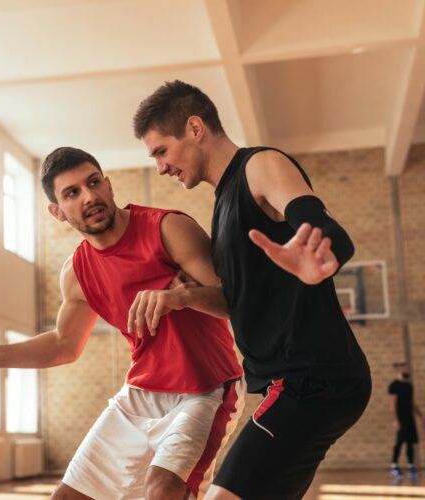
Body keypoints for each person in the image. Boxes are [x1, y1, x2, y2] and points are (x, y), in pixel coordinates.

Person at [0, 146, 244, 499]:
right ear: (57, 211)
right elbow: (63, 345)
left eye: (93, 183)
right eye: (72, 192)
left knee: (162, 491)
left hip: (205, 389)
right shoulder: (77, 272)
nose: (89, 196)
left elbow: (235, 303)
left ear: (108, 185)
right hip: (140, 395)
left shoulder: (167, 228)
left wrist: (182, 298)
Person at [131, 80, 371, 500]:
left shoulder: (259, 166)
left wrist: (320, 255)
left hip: (312, 379)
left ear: (194, 128)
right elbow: (236, 302)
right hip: (300, 381)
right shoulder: (223, 205)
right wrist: (182, 298)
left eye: (161, 152)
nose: (161, 168)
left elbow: (327, 230)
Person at [389, 362, 421, 479]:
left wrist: (421, 416)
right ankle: (394, 466)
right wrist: (395, 420)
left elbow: (412, 403)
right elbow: (392, 405)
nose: (408, 371)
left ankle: (411, 466)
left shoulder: (409, 386)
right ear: (400, 370)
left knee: (410, 442)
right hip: (400, 418)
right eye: (406, 369)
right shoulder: (394, 386)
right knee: (399, 442)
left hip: (410, 418)